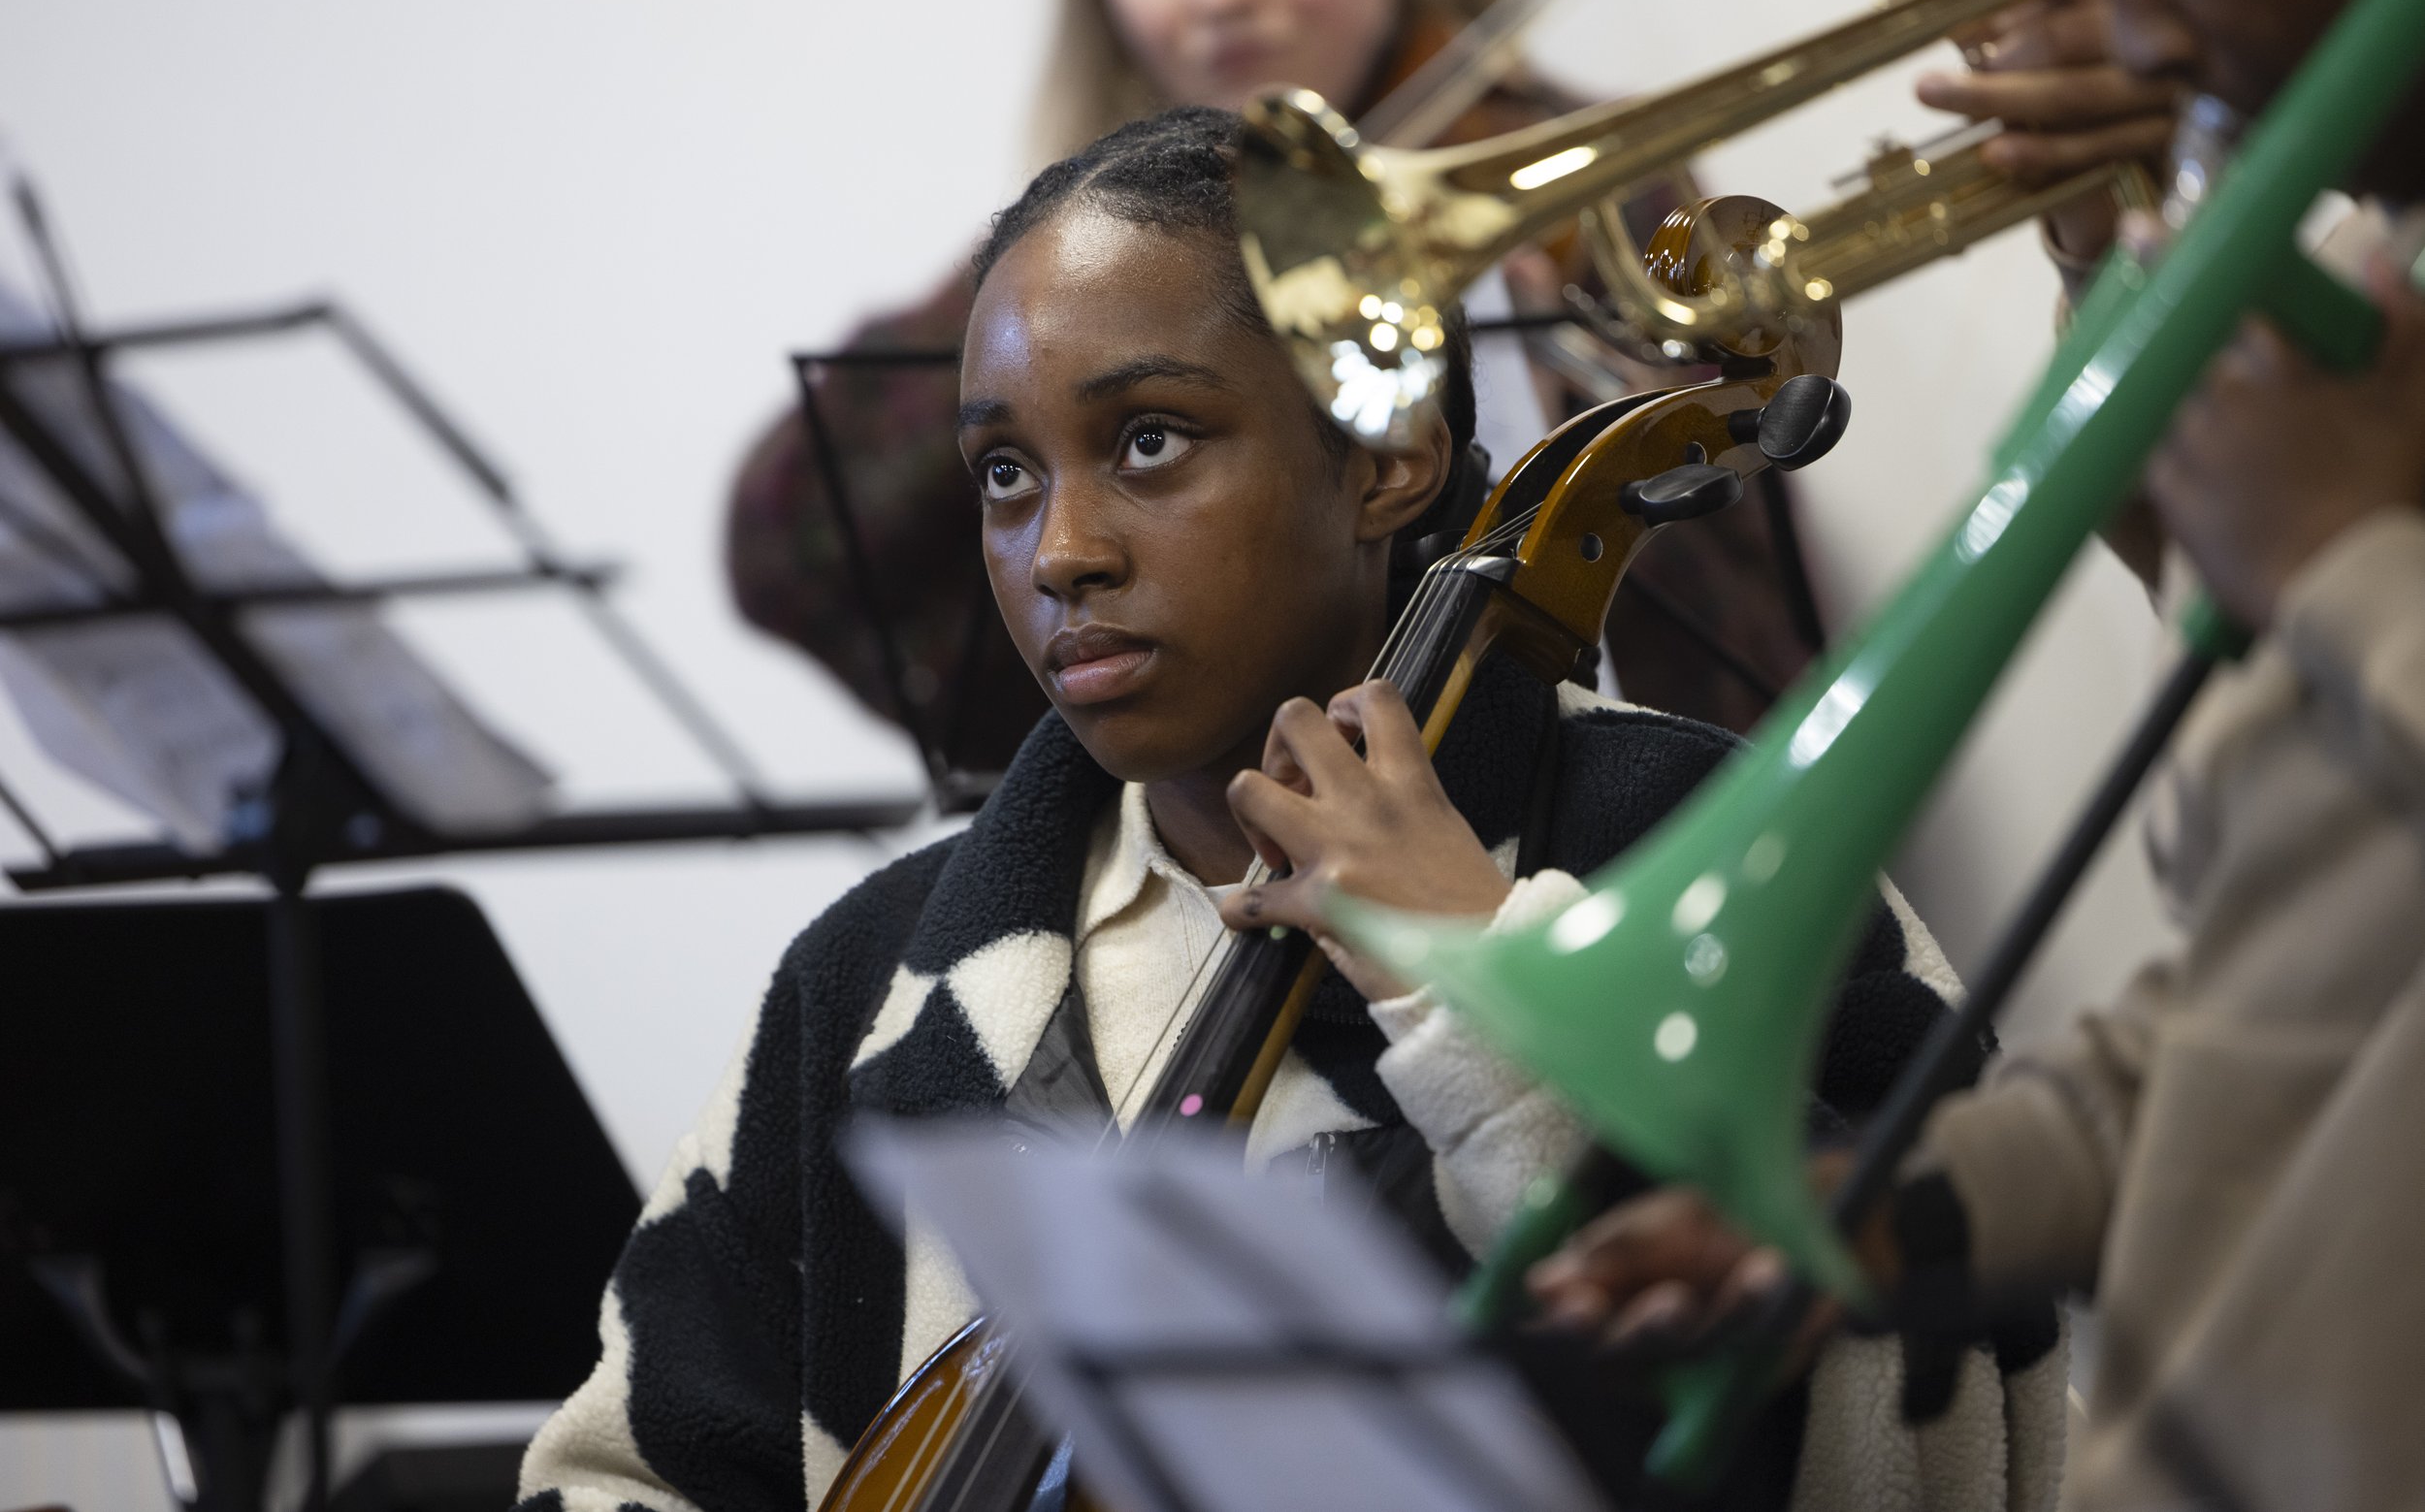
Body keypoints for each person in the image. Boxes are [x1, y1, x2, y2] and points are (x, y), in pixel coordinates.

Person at [516, 108, 2063, 1512]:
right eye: (1004, 472)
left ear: (1388, 457)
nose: (1059, 548)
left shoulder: (1709, 847)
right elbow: (618, 1472)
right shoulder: (871, 980)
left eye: (1147, 440)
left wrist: (1482, 980)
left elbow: (1944, 1418)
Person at [1523, 0, 2425, 1509]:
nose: (2123, 24)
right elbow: (2280, 1006)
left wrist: (2345, 552)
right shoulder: (2373, 296)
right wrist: (1879, 1210)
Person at [727, 0, 1811, 776]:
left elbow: (1742, 674)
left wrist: (1573, 412)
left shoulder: (1597, 193)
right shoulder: (1090, 253)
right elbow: (782, 538)